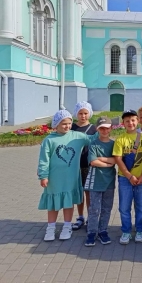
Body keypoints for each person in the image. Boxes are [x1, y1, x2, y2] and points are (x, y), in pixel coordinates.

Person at [38, 110, 93, 241]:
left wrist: (104, 132)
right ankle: (51, 228)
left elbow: (93, 139)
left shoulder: (77, 136)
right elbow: (43, 159)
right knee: (53, 204)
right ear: (56, 124)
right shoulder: (49, 140)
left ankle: (67, 226)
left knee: (68, 203)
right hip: (54, 179)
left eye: (69, 123)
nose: (67, 126)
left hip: (71, 178)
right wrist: (43, 175)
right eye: (64, 124)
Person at [113, 109, 142, 245]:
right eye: (127, 121)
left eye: (133, 120)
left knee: (141, 206)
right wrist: (129, 176)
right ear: (123, 123)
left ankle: (140, 229)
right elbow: (118, 159)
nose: (130, 123)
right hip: (125, 178)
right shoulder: (120, 139)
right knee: (124, 206)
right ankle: (126, 231)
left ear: (138, 121)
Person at [84, 117, 116, 247]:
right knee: (94, 209)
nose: (104, 130)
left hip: (109, 182)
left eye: (107, 128)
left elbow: (116, 160)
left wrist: (102, 159)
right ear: (97, 129)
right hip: (95, 181)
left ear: (111, 128)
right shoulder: (94, 144)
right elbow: (93, 161)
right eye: (101, 128)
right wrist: (108, 162)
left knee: (106, 208)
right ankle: (92, 232)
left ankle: (103, 230)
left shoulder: (113, 144)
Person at [71, 101, 97, 231]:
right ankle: (80, 216)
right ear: (76, 114)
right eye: (80, 113)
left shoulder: (94, 128)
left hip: (88, 165)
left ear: (89, 114)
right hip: (74, 166)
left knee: (88, 193)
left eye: (85, 113)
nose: (83, 116)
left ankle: (89, 218)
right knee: (78, 192)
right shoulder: (71, 128)